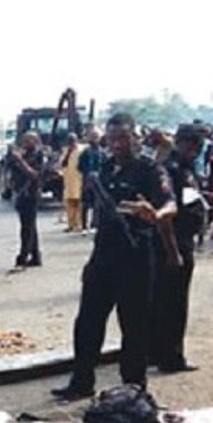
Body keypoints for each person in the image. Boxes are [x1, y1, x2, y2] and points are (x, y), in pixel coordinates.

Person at [51, 113, 177, 402]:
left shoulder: (149, 169)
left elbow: (170, 203)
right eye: (112, 139)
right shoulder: (104, 169)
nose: (118, 144)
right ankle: (82, 382)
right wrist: (91, 262)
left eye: (123, 138)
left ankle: (133, 389)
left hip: (136, 258)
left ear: (135, 137)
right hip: (103, 258)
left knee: (134, 327)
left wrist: (156, 214)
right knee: (87, 323)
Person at [149, 124, 208, 373]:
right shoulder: (173, 170)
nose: (196, 152)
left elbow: (191, 199)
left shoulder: (179, 168)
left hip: (175, 240)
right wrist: (173, 250)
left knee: (161, 300)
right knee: (174, 303)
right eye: (195, 147)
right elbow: (171, 212)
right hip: (174, 241)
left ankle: (156, 352)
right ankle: (171, 357)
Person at [10, 131, 44, 267]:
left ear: (34, 142)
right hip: (21, 194)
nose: (24, 143)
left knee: (27, 228)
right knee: (30, 226)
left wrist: (20, 160)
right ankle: (35, 256)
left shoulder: (39, 156)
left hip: (30, 193)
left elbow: (34, 174)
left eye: (27, 140)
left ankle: (23, 257)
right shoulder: (25, 155)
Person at [79, 128, 105, 234]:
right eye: (92, 137)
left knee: (97, 204)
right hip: (87, 181)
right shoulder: (85, 152)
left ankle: (94, 225)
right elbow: (80, 166)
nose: (94, 139)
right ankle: (84, 227)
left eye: (96, 137)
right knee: (85, 204)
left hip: (99, 182)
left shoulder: (102, 153)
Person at [62, 134, 84, 232]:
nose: (71, 143)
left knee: (79, 203)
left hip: (79, 179)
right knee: (69, 203)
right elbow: (62, 164)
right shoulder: (66, 151)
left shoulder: (81, 151)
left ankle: (79, 224)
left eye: (72, 141)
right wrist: (67, 153)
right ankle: (70, 225)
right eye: (69, 141)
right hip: (68, 179)